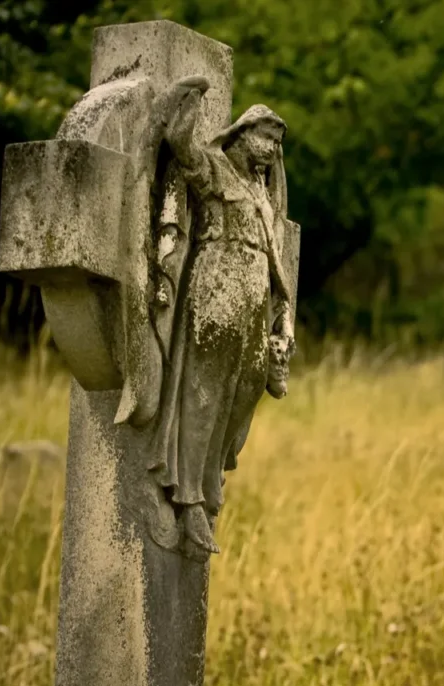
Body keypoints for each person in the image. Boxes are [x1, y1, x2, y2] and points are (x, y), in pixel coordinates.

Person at [146, 76, 296, 558]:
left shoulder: (263, 195)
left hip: (252, 292)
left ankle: (211, 478)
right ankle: (190, 497)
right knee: (205, 388)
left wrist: (282, 320)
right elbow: (184, 150)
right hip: (215, 283)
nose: (272, 149)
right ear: (241, 134)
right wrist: (186, 101)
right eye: (265, 137)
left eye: (277, 141)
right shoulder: (216, 168)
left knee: (248, 382)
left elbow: (278, 263)